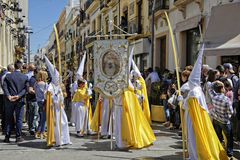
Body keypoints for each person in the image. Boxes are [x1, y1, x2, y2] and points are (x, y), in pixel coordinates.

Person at [183, 45, 228, 159]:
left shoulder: (194, 92)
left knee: (193, 137)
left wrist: (182, 101)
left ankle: (195, 155)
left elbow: (190, 106)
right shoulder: (197, 90)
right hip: (195, 117)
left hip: (194, 119)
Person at [44, 56, 71, 147]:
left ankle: (65, 139)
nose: (59, 79)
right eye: (58, 77)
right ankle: (58, 140)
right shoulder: (50, 87)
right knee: (56, 125)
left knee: (64, 122)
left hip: (60, 108)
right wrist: (55, 96)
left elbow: (63, 95)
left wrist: (61, 95)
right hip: (54, 109)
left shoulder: (59, 86)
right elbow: (48, 97)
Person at [2, 61, 28, 143]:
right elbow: (25, 89)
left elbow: (4, 87)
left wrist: (9, 96)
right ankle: (18, 136)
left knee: (8, 118)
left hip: (9, 100)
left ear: (14, 67)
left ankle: (7, 136)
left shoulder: (8, 76)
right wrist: (19, 95)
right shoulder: (25, 77)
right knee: (19, 119)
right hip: (19, 100)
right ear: (20, 67)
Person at [209, 81, 234, 158]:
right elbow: (231, 111)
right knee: (229, 137)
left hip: (216, 119)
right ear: (222, 88)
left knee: (218, 136)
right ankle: (229, 153)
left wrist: (215, 82)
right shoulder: (226, 99)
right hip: (225, 121)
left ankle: (218, 150)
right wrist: (228, 116)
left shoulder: (214, 97)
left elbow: (210, 88)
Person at [34, 70, 48, 139]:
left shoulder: (36, 83)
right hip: (43, 101)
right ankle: (42, 132)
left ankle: (38, 132)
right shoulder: (44, 84)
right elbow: (45, 94)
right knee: (44, 118)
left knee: (42, 117)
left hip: (38, 101)